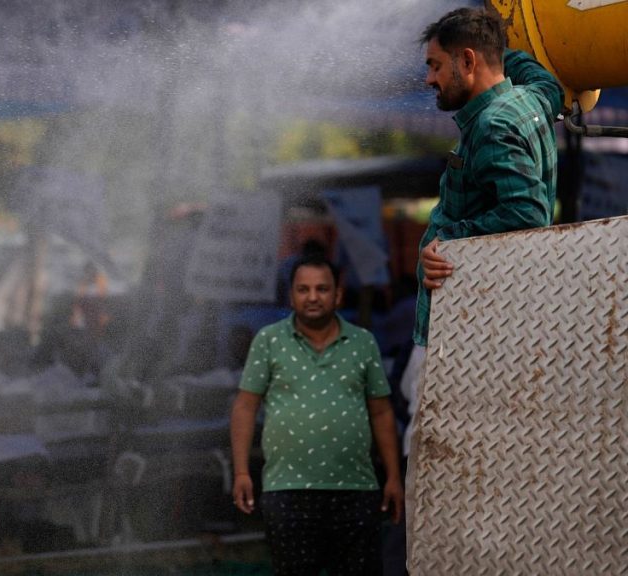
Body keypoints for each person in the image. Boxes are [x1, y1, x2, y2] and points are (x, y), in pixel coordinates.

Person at [407, 6, 564, 557]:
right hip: (495, 334)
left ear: (467, 62)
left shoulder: (494, 124)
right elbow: (546, 79)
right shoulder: (532, 98)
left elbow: (527, 217)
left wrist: (444, 247)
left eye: (435, 65)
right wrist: (500, 29)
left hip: (461, 339)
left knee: (440, 485)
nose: (428, 79)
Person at [230, 254, 403, 576]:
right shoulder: (268, 340)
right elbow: (245, 406)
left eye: (322, 289)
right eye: (303, 289)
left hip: (356, 490)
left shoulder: (363, 342)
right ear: (291, 295)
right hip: (287, 490)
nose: (312, 297)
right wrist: (241, 472)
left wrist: (393, 477)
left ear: (337, 294)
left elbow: (381, 412)